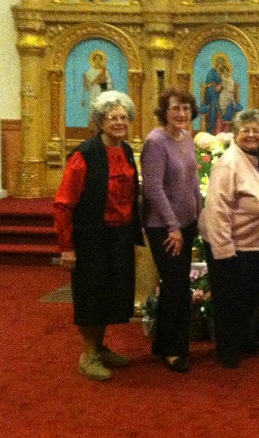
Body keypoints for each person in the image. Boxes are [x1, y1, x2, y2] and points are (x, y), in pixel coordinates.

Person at [54, 90, 143, 381]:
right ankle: (88, 354)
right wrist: (67, 248)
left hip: (119, 235)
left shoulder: (126, 150)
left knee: (111, 293)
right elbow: (64, 203)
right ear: (99, 121)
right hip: (92, 236)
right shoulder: (85, 154)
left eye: (123, 117)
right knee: (91, 295)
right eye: (112, 117)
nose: (119, 122)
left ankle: (100, 347)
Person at [199, 108, 259, 368]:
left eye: (256, 130)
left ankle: (245, 339)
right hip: (236, 246)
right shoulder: (229, 163)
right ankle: (227, 349)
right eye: (244, 130)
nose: (251, 135)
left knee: (252, 298)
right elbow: (217, 209)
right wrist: (224, 249)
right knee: (230, 301)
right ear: (235, 134)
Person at [141, 88, 203, 373]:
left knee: (174, 286)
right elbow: (152, 188)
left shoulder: (187, 138)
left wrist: (199, 215)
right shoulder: (155, 142)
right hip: (164, 227)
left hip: (186, 224)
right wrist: (173, 225)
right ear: (164, 111)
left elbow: (192, 181)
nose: (182, 114)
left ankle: (162, 342)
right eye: (176, 108)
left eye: (187, 109)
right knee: (178, 287)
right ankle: (175, 350)